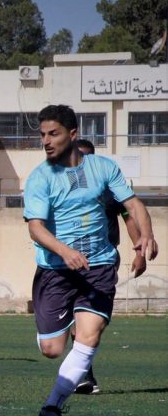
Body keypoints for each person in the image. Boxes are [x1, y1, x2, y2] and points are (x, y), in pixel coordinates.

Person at [24, 104, 158, 416]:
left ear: (72, 135)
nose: (46, 141)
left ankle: (53, 406)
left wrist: (147, 236)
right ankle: (61, 321)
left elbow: (132, 205)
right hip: (56, 270)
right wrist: (64, 251)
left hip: (98, 266)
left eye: (53, 133)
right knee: (52, 349)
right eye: (42, 134)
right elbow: (36, 228)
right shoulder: (40, 178)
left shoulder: (103, 168)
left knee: (89, 335)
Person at [71, 138, 146, 394]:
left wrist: (140, 251)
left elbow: (129, 217)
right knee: (69, 323)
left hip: (102, 260)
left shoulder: (109, 189)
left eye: (87, 157)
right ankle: (79, 372)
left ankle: (83, 374)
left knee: (93, 320)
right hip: (68, 260)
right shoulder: (63, 186)